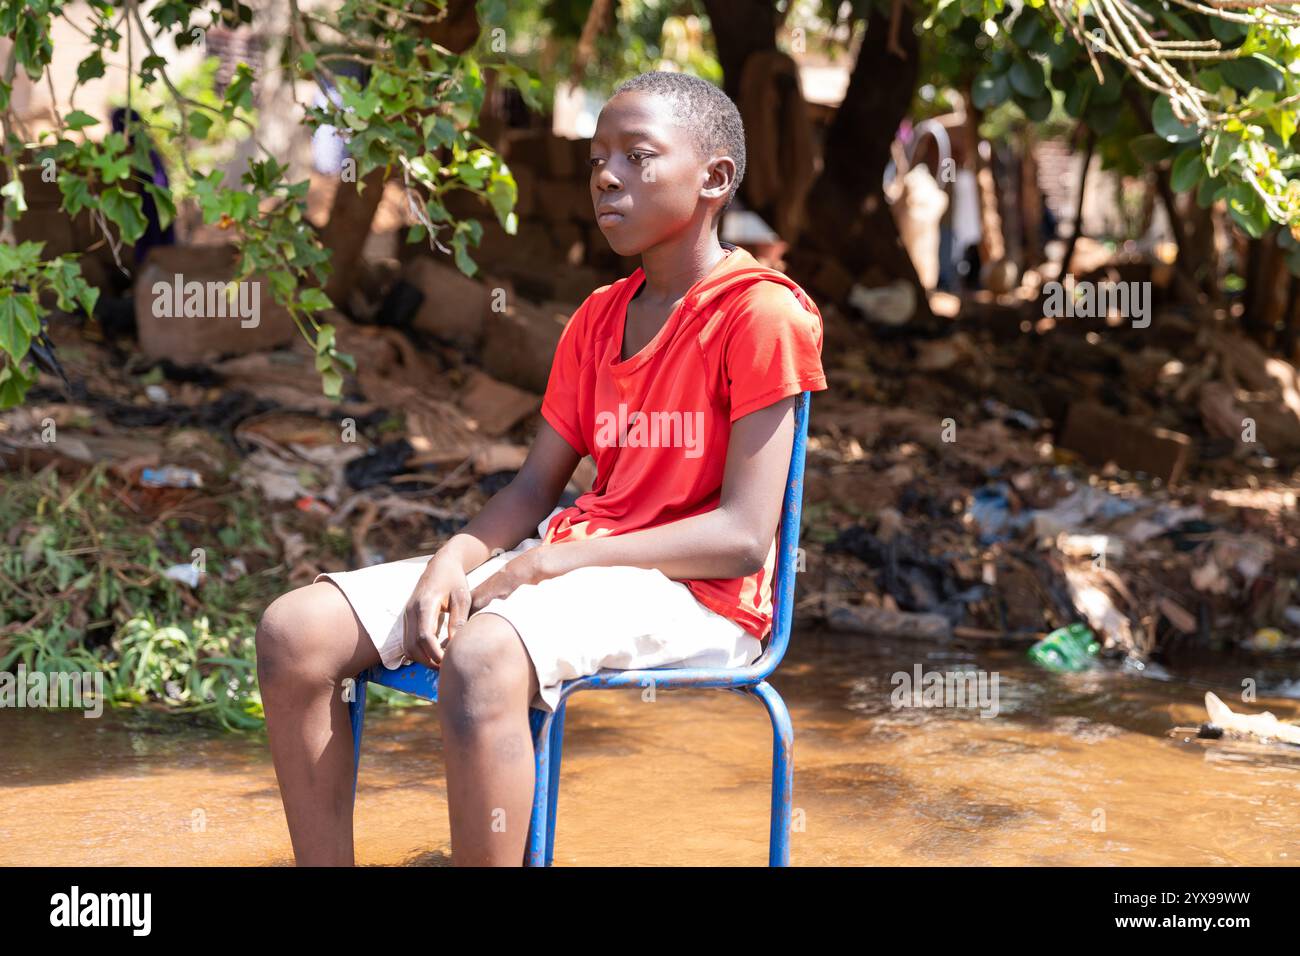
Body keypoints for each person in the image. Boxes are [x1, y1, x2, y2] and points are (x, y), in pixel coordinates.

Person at [255, 70, 828, 866]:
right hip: (579, 564)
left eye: (637, 156)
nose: (606, 176)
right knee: (295, 632)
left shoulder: (762, 314)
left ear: (715, 178)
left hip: (707, 597)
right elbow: (533, 487)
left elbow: (741, 538)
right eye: (598, 158)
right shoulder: (596, 318)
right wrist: (454, 559)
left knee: (483, 654)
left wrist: (555, 561)